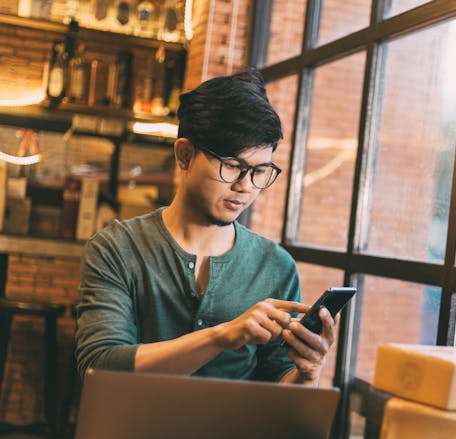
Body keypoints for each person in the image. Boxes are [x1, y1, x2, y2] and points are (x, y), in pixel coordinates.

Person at [75, 69, 334, 385]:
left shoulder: (275, 266)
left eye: (259, 172)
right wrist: (222, 336)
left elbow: (277, 384)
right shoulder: (117, 248)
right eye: (232, 166)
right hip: (134, 433)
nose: (245, 186)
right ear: (185, 154)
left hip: (232, 435)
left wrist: (307, 373)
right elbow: (99, 366)